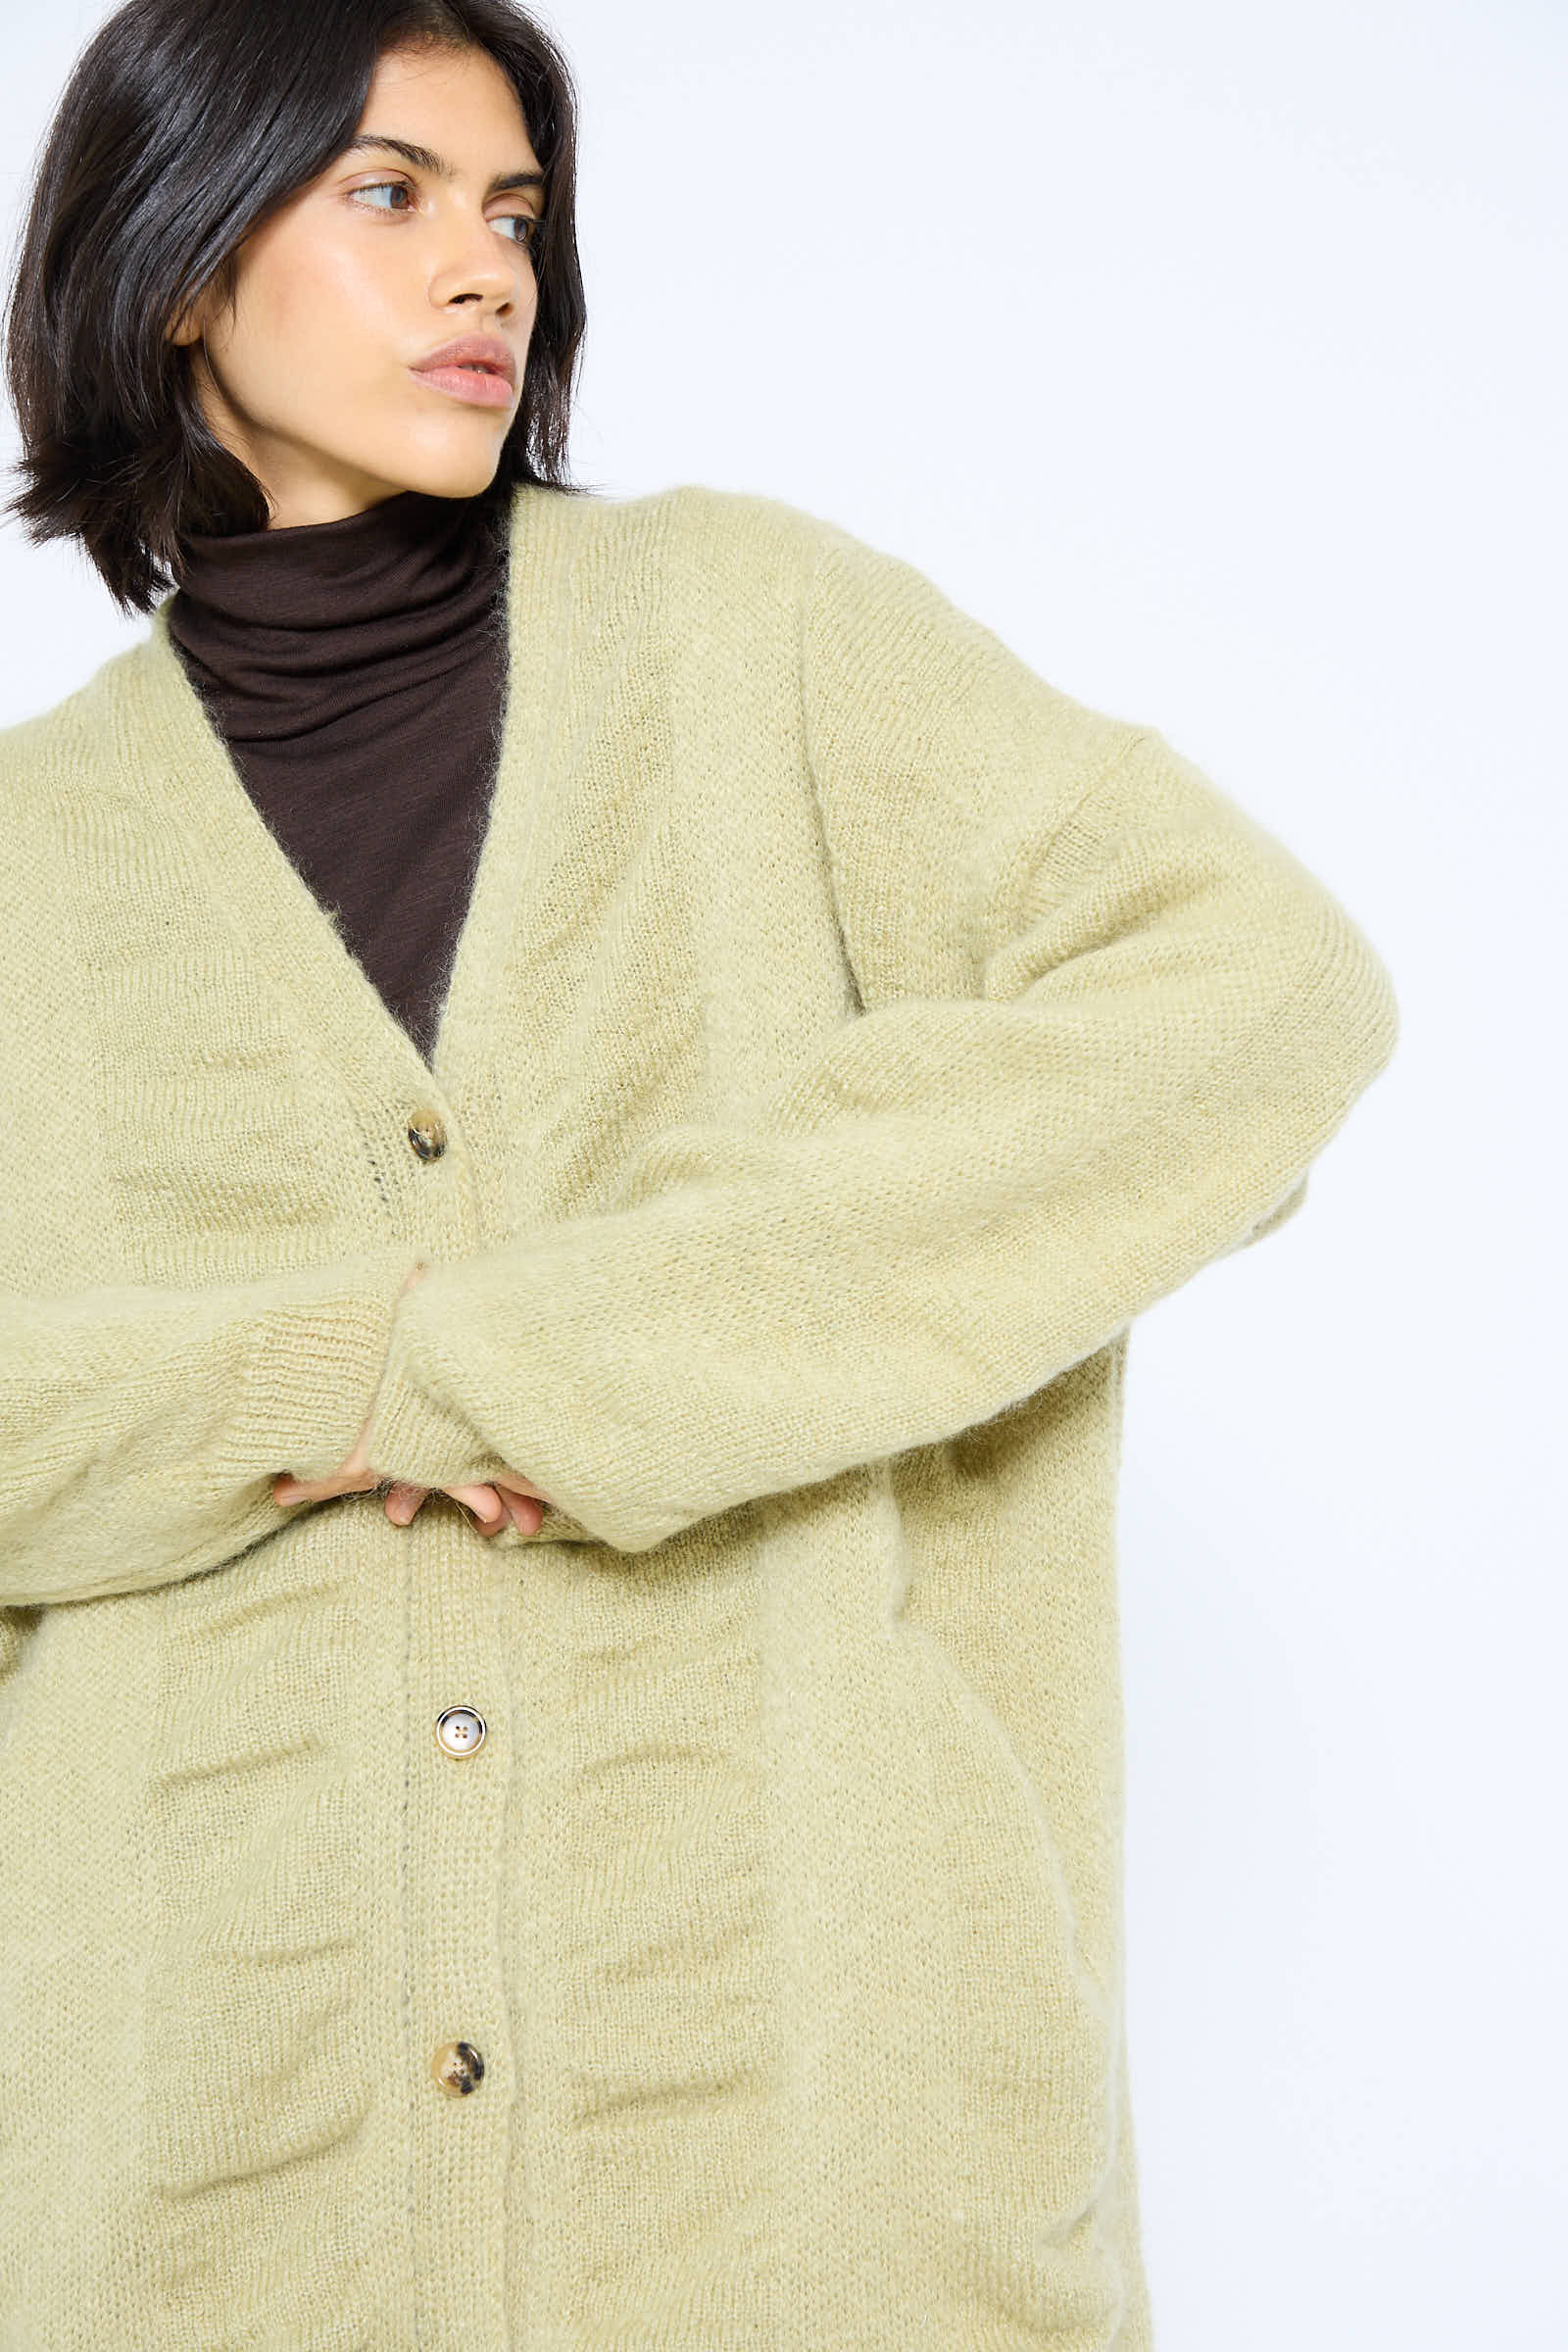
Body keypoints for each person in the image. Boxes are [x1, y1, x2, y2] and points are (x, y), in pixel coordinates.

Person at [0, 3, 1398, 2347]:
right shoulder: (29, 861)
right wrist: (345, 1375)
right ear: (173, 267)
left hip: (800, 2115)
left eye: (515, 211)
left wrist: (581, 1355)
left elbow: (1254, 992)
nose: (486, 272)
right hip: (199, 2158)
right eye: (389, 194)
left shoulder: (756, 637)